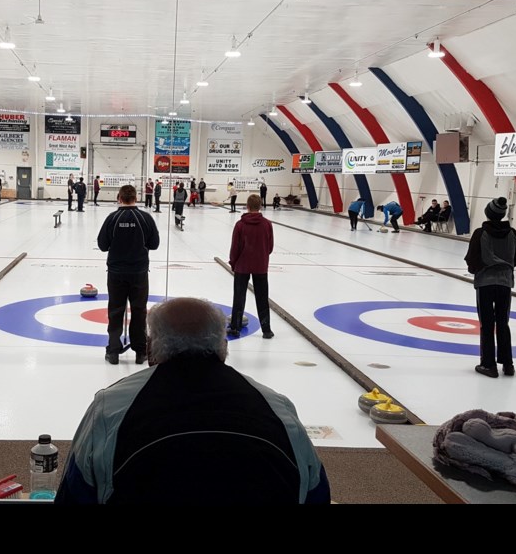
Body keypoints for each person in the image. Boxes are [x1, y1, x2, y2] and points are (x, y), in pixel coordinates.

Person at [54, 297, 330, 505]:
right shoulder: (277, 408)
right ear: (223, 348)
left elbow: (74, 495)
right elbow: (316, 492)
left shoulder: (110, 407)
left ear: (151, 349)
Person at [96, 184, 160, 365]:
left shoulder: (112, 218)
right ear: (136, 198)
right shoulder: (145, 218)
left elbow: (102, 245)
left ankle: (114, 351)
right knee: (139, 311)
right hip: (139, 273)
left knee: (115, 311)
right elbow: (154, 244)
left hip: (116, 273)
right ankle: (140, 352)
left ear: (119, 197)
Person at [465, 197, 516, 378]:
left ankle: (488, 365)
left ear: (488, 213)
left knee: (487, 325)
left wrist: (477, 269)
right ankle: (508, 364)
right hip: (505, 283)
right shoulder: (512, 233)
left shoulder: (481, 233)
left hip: (486, 283)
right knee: (503, 323)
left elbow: (472, 259)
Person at [228, 194, 274, 339]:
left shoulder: (240, 225)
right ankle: (266, 330)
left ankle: (235, 327)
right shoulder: (267, 224)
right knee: (262, 297)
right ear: (260, 206)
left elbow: (235, 247)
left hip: (242, 265)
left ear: (247, 206)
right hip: (261, 266)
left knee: (239, 297)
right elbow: (270, 246)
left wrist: (233, 262)